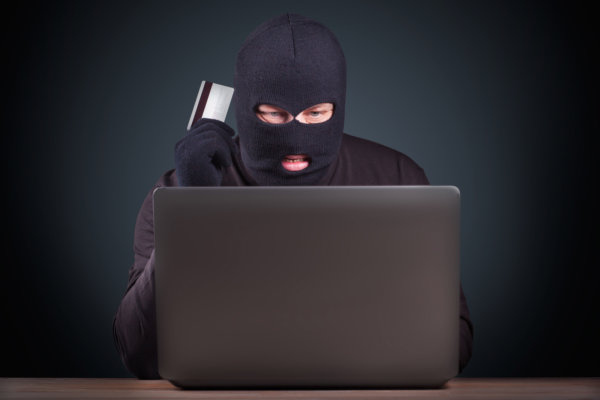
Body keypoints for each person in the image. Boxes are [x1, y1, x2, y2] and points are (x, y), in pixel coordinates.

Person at [113, 13, 474, 379]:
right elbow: (138, 355)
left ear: (339, 106)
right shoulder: (175, 191)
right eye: (275, 114)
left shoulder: (399, 179)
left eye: (317, 113)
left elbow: (453, 344)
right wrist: (190, 212)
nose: (297, 136)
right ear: (244, 110)